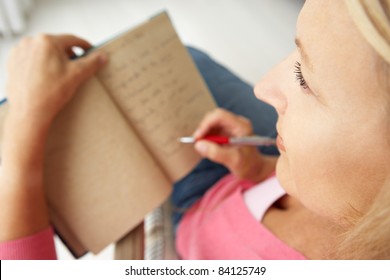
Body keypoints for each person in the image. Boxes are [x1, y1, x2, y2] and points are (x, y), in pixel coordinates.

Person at [0, 0, 389, 260]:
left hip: (179, 237)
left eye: (305, 79)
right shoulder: (352, 192)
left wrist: (25, 124)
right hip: (234, 185)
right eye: (296, 52)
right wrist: (258, 170)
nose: (263, 85)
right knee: (187, 59)